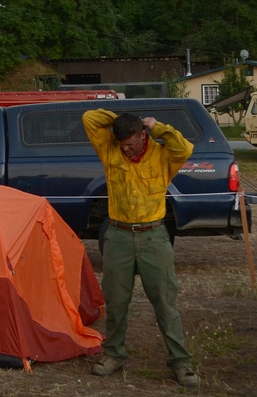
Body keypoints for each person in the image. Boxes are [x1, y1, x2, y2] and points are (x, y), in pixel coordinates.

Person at [83, 109, 200, 388]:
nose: (125, 147)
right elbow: (89, 117)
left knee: (164, 302)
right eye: (121, 142)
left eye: (131, 142)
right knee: (116, 301)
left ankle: (181, 362)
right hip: (118, 237)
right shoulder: (109, 150)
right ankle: (113, 355)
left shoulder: (162, 154)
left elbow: (185, 147)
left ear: (142, 134)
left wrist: (157, 126)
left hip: (153, 237)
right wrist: (121, 120)